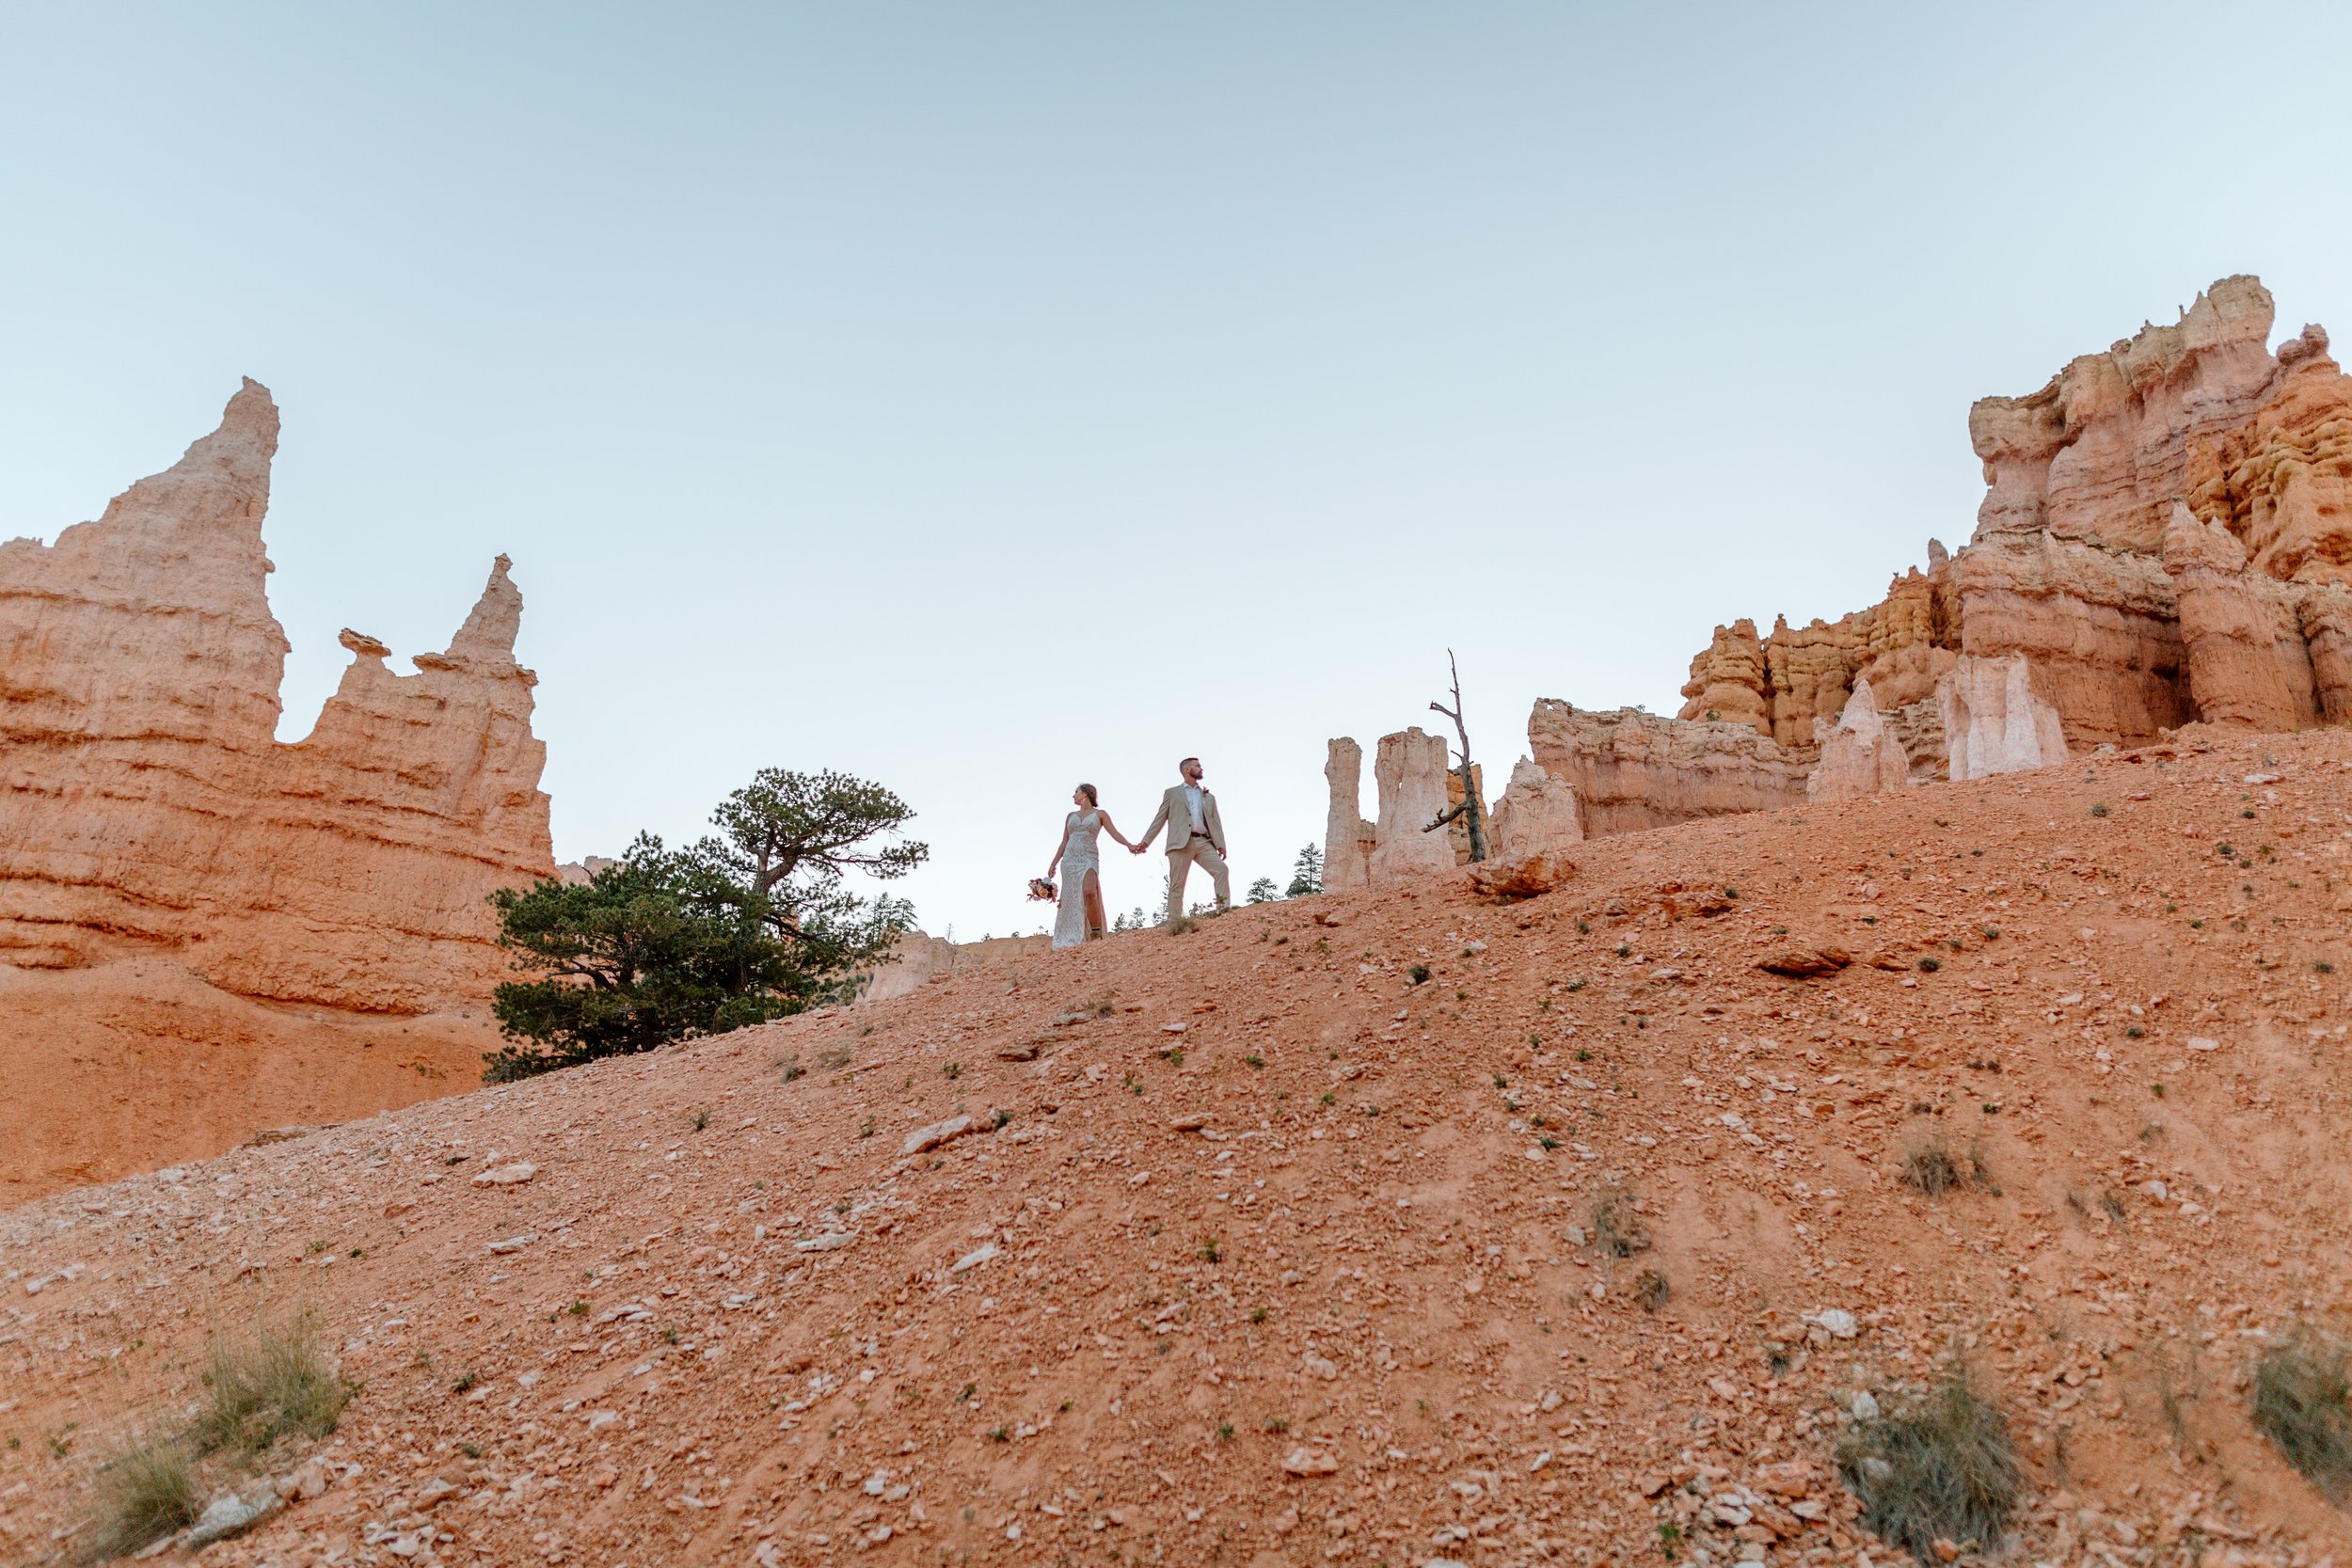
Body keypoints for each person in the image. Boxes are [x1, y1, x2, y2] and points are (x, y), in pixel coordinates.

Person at [1131, 755, 1230, 926]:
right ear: (1187, 770)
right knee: (1177, 884)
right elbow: (1159, 819)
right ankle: (1175, 921)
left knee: (1221, 870)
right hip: (1179, 844)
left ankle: (1224, 911)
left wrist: (1221, 845)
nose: (1201, 768)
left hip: (1203, 842)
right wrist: (1145, 842)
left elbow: (1215, 821)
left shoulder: (1208, 796)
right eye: (1197, 766)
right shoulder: (1172, 793)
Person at [1044, 784, 1136, 949]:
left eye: (1076, 792)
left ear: (1086, 794)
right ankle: (1069, 937)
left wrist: (1129, 844)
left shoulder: (1100, 814)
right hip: (1069, 860)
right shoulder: (1070, 816)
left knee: (1089, 893)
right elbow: (1064, 842)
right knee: (1070, 898)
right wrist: (1053, 863)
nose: (1073, 795)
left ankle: (1095, 932)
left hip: (1089, 857)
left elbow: (1114, 833)